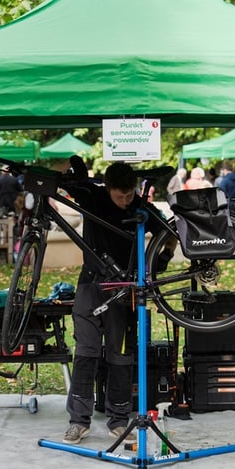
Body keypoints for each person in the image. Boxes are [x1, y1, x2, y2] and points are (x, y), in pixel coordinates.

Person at [60, 158, 176, 445]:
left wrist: (161, 259)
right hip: (91, 285)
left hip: (125, 291)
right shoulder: (93, 196)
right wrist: (73, 168)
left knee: (121, 356)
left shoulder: (140, 206)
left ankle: (119, 420)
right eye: (119, 196)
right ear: (107, 188)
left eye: (129, 195)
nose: (125, 201)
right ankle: (78, 422)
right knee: (86, 352)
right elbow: (63, 182)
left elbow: (169, 231)